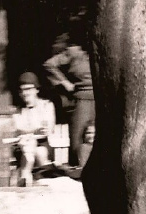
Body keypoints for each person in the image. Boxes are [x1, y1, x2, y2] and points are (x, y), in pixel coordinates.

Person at [44, 33, 95, 168]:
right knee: (77, 143)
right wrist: (65, 82)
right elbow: (49, 65)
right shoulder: (74, 52)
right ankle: (78, 172)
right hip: (81, 101)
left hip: (101, 101)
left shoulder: (102, 51)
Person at [11, 71, 56, 186]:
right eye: (22, 90)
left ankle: (25, 175)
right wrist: (34, 130)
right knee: (30, 147)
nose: (25, 93)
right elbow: (17, 128)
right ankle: (30, 178)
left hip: (42, 143)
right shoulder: (17, 109)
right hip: (22, 145)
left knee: (39, 151)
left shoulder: (46, 105)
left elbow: (47, 130)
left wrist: (28, 131)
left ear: (36, 89)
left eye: (28, 89)